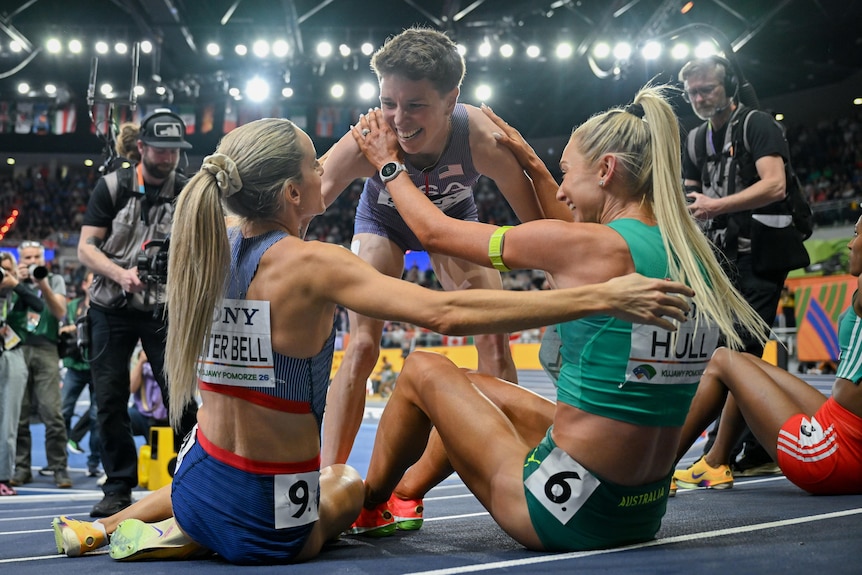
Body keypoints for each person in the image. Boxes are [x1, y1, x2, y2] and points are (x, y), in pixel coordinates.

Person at [50, 117, 696, 564]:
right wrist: (600, 295)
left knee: (212, 456)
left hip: (200, 480)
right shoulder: (311, 263)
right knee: (345, 484)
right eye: (317, 166)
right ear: (297, 191)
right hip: (271, 520)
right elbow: (444, 312)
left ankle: (107, 525)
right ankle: (192, 533)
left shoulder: (204, 240)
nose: (330, 175)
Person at [341, 85, 768, 550]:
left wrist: (388, 164)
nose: (561, 189)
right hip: (642, 510)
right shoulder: (693, 253)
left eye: (566, 173)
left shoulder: (591, 248)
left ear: (606, 170)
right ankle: (405, 495)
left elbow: (433, 232)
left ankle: (369, 506)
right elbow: (571, 231)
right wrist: (535, 166)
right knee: (472, 388)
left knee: (424, 370)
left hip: (563, 512)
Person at [320, 27, 548, 467]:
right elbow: (306, 202)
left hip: (452, 223)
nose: (399, 121)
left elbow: (535, 224)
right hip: (383, 222)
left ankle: (515, 465)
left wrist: (565, 279)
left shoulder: (479, 135)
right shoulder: (368, 136)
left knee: (495, 338)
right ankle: (329, 479)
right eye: (389, 103)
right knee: (363, 346)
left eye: (416, 105)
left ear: (451, 99)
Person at [672, 215, 862, 495]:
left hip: (832, 455)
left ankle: (651, 475)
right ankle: (714, 462)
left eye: (857, 234)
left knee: (724, 359)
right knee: (749, 366)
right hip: (845, 428)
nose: (850, 244)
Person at [77, 109, 198, 517]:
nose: (168, 158)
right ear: (142, 147)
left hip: (161, 305)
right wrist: (120, 274)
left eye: (174, 151)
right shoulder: (112, 187)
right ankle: (118, 485)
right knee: (109, 397)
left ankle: (193, 474)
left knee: (179, 393)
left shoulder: (188, 191)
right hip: (110, 304)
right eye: (160, 150)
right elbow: (85, 248)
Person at [679, 56, 795, 475]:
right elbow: (693, 203)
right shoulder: (694, 140)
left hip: (763, 253)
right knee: (726, 352)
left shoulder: (756, 124)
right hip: (723, 259)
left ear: (728, 88)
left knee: (739, 352)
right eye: (693, 91)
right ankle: (760, 449)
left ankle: (717, 455)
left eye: (707, 88)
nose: (699, 97)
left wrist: (717, 205)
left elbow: (775, 184)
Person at [10, 240, 71, 489]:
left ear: (43, 259)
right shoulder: (11, 280)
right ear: (20, 259)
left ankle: (59, 468)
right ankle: (22, 468)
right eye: (27, 258)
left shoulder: (54, 279)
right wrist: (16, 281)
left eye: (36, 257)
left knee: (52, 412)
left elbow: (59, 313)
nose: (32, 261)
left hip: (46, 348)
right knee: (19, 414)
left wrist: (41, 283)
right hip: (17, 348)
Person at [59, 271, 101, 477]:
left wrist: (73, 328)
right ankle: (60, 460)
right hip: (74, 365)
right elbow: (62, 330)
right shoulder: (72, 306)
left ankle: (93, 462)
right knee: (63, 410)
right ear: (84, 285)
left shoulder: (105, 307)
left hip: (97, 367)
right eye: (91, 280)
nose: (94, 284)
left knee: (96, 416)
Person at [0, 253, 31, 496]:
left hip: (12, 355)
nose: (3, 274)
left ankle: (2, 477)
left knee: (8, 422)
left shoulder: (18, 295)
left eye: (7, 270)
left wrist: (17, 285)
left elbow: (41, 307)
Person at [128, 348, 168, 441]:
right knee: (117, 418)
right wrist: (141, 361)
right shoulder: (139, 353)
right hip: (142, 412)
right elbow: (131, 388)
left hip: (167, 414)